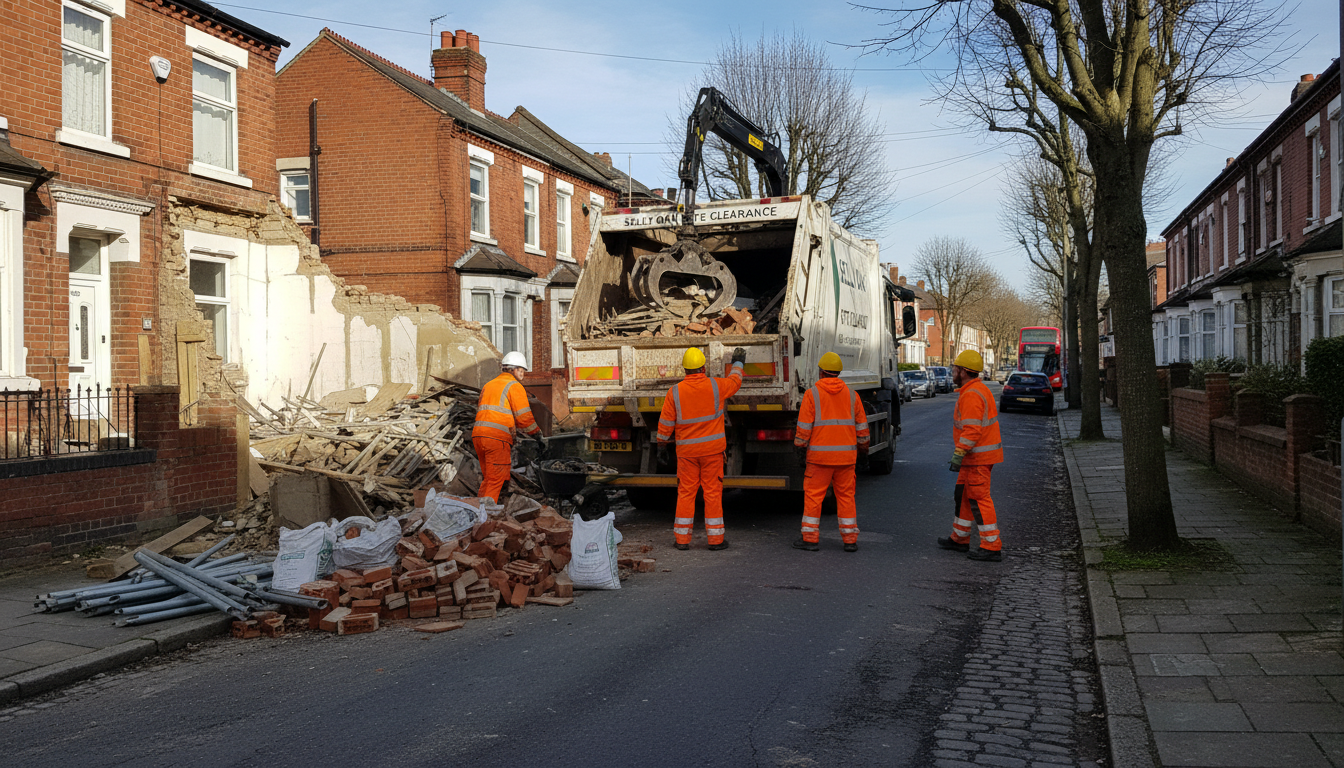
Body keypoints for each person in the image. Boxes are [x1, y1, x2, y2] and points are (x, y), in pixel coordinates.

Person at [656, 346, 746, 550]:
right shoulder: (715, 386)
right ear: (703, 368)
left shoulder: (675, 392)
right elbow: (735, 382)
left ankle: (682, 540)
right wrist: (738, 363)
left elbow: (666, 422)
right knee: (712, 494)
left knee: (686, 493)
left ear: (685, 370)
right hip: (712, 453)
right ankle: (716, 540)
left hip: (687, 454)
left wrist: (661, 445)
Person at [792, 352, 869, 552]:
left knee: (814, 496)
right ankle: (850, 539)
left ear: (821, 372)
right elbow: (863, 431)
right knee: (846, 497)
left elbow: (803, 430)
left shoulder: (812, 394)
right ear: (838, 373)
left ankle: (810, 538)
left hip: (819, 459)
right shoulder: (853, 396)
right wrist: (863, 452)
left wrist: (800, 448)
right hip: (846, 459)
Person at [937, 349, 1004, 561]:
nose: (953, 373)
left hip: (977, 458)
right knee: (963, 495)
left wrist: (959, 454)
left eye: (955, 369)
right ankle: (960, 538)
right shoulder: (975, 390)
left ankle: (992, 545)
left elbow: (972, 430)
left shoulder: (972, 395)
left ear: (964, 372)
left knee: (978, 498)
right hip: (974, 458)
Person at [472, 351, 543, 504]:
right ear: (513, 369)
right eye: (522, 370)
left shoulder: (489, 385)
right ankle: (486, 518)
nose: (523, 374)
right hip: (496, 438)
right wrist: (537, 434)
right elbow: (524, 417)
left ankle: (478, 512)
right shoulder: (514, 386)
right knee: (496, 479)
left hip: (479, 436)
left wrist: (514, 435)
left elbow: (497, 412)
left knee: (489, 479)